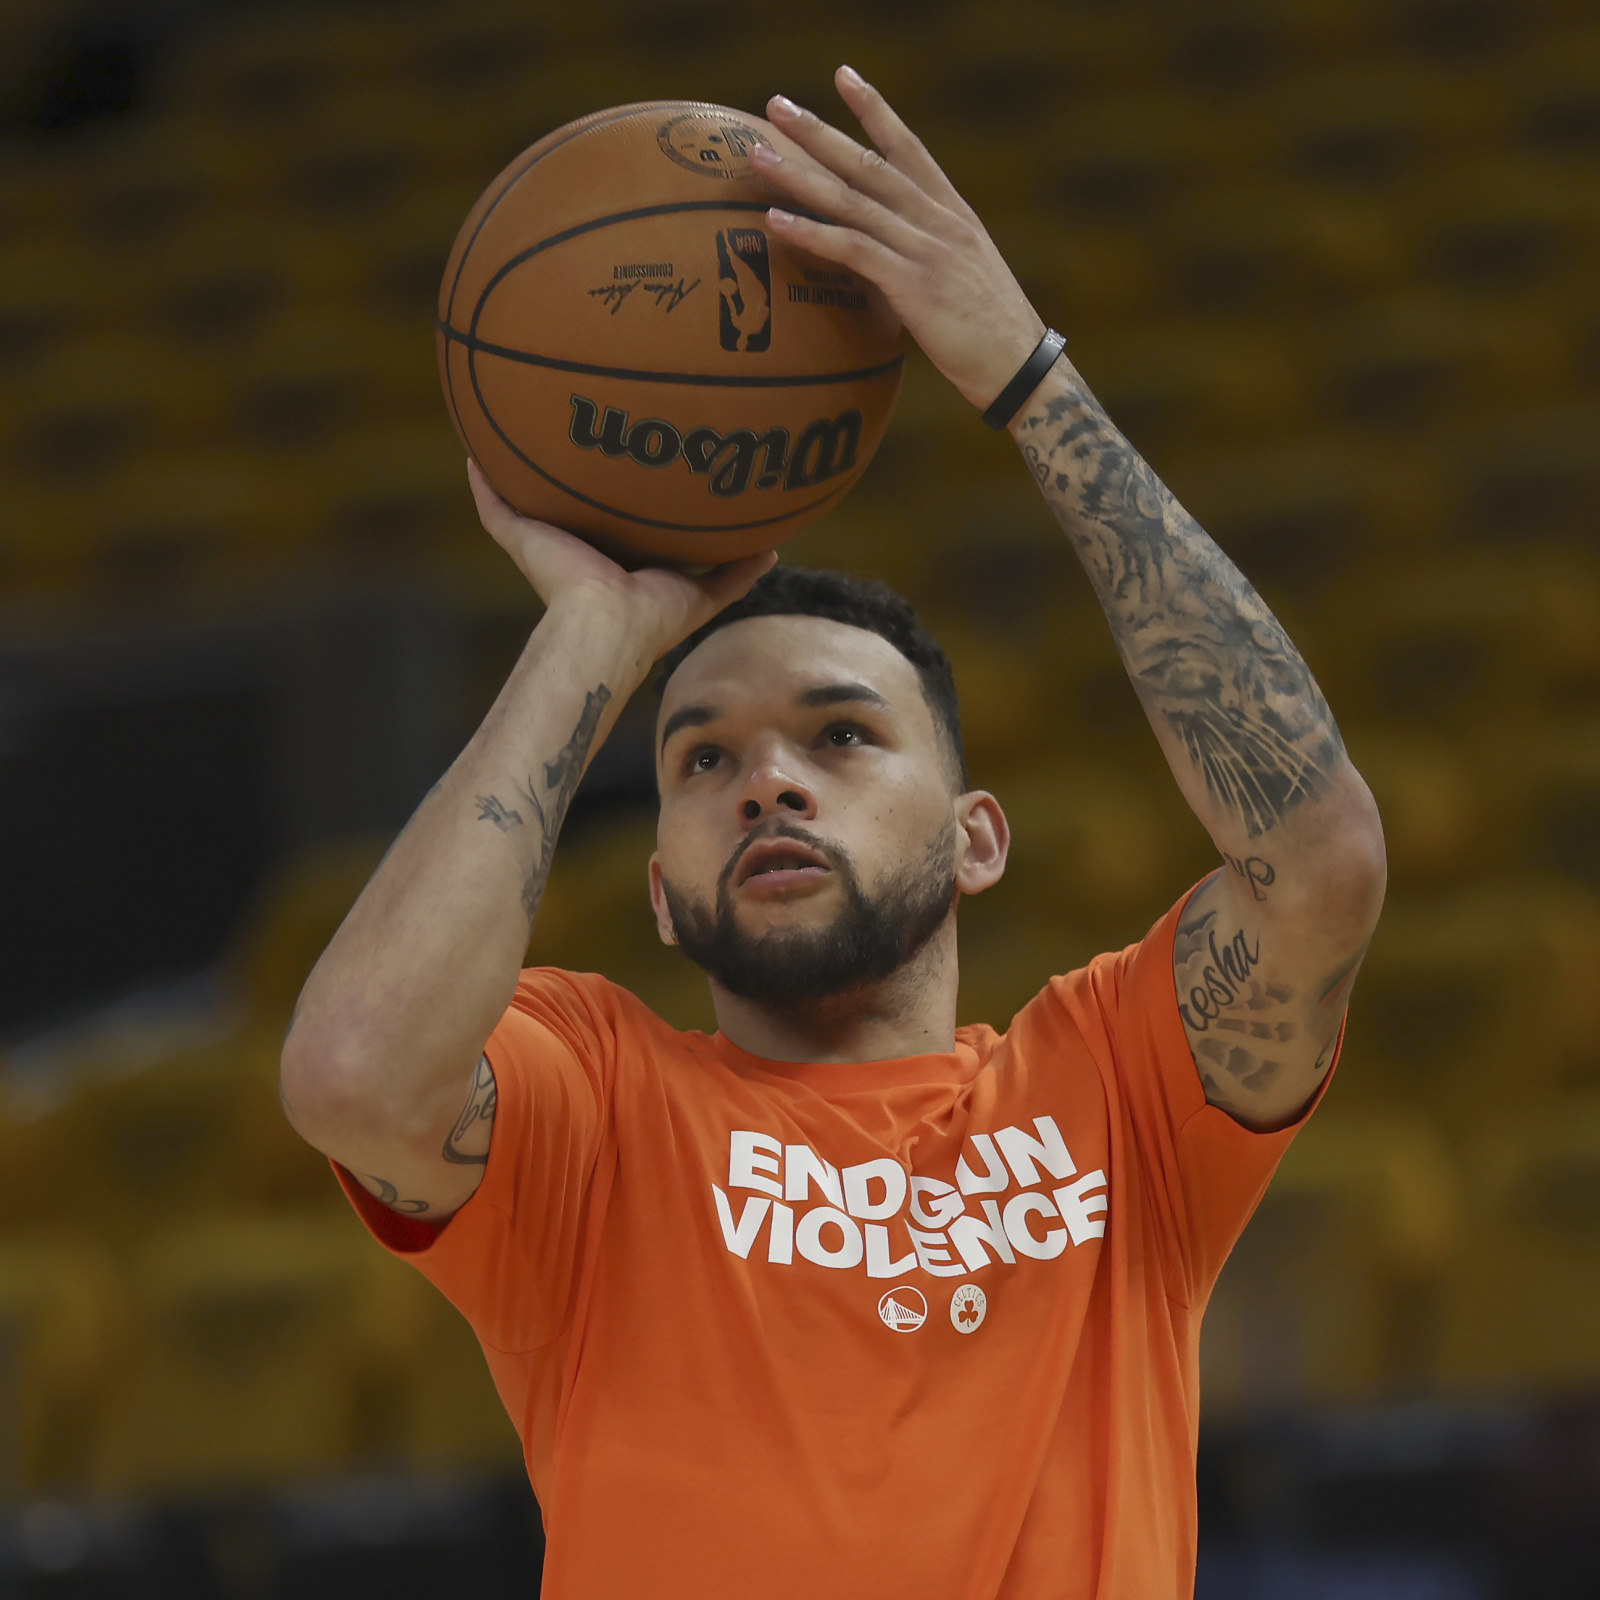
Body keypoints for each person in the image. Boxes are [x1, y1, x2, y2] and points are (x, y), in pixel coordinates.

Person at [280, 67, 1386, 1600]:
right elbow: (350, 1074)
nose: (769, 783)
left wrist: (1029, 379)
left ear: (981, 837)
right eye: (702, 758)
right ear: (660, 893)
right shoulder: (591, 1108)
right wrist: (595, 637)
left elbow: (1319, 861)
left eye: (843, 736)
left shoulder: (1117, 1082)